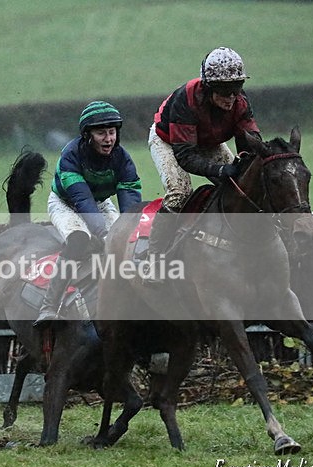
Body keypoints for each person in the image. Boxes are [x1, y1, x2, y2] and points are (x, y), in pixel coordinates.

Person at [146, 47, 262, 261]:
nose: (231, 97)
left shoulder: (240, 101)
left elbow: (251, 142)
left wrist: (247, 162)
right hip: (169, 141)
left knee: (242, 186)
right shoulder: (186, 98)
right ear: (209, 88)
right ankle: (154, 254)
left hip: (207, 141)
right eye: (224, 90)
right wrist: (220, 169)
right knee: (179, 193)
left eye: (236, 88)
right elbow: (186, 156)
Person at [33, 101, 142, 327]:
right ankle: (49, 306)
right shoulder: (70, 155)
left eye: (112, 132)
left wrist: (129, 229)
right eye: (101, 133)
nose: (109, 139)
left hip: (101, 203)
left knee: (125, 240)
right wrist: (103, 233)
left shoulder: (123, 158)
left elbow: (130, 201)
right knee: (79, 238)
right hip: (66, 204)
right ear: (87, 135)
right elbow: (82, 200)